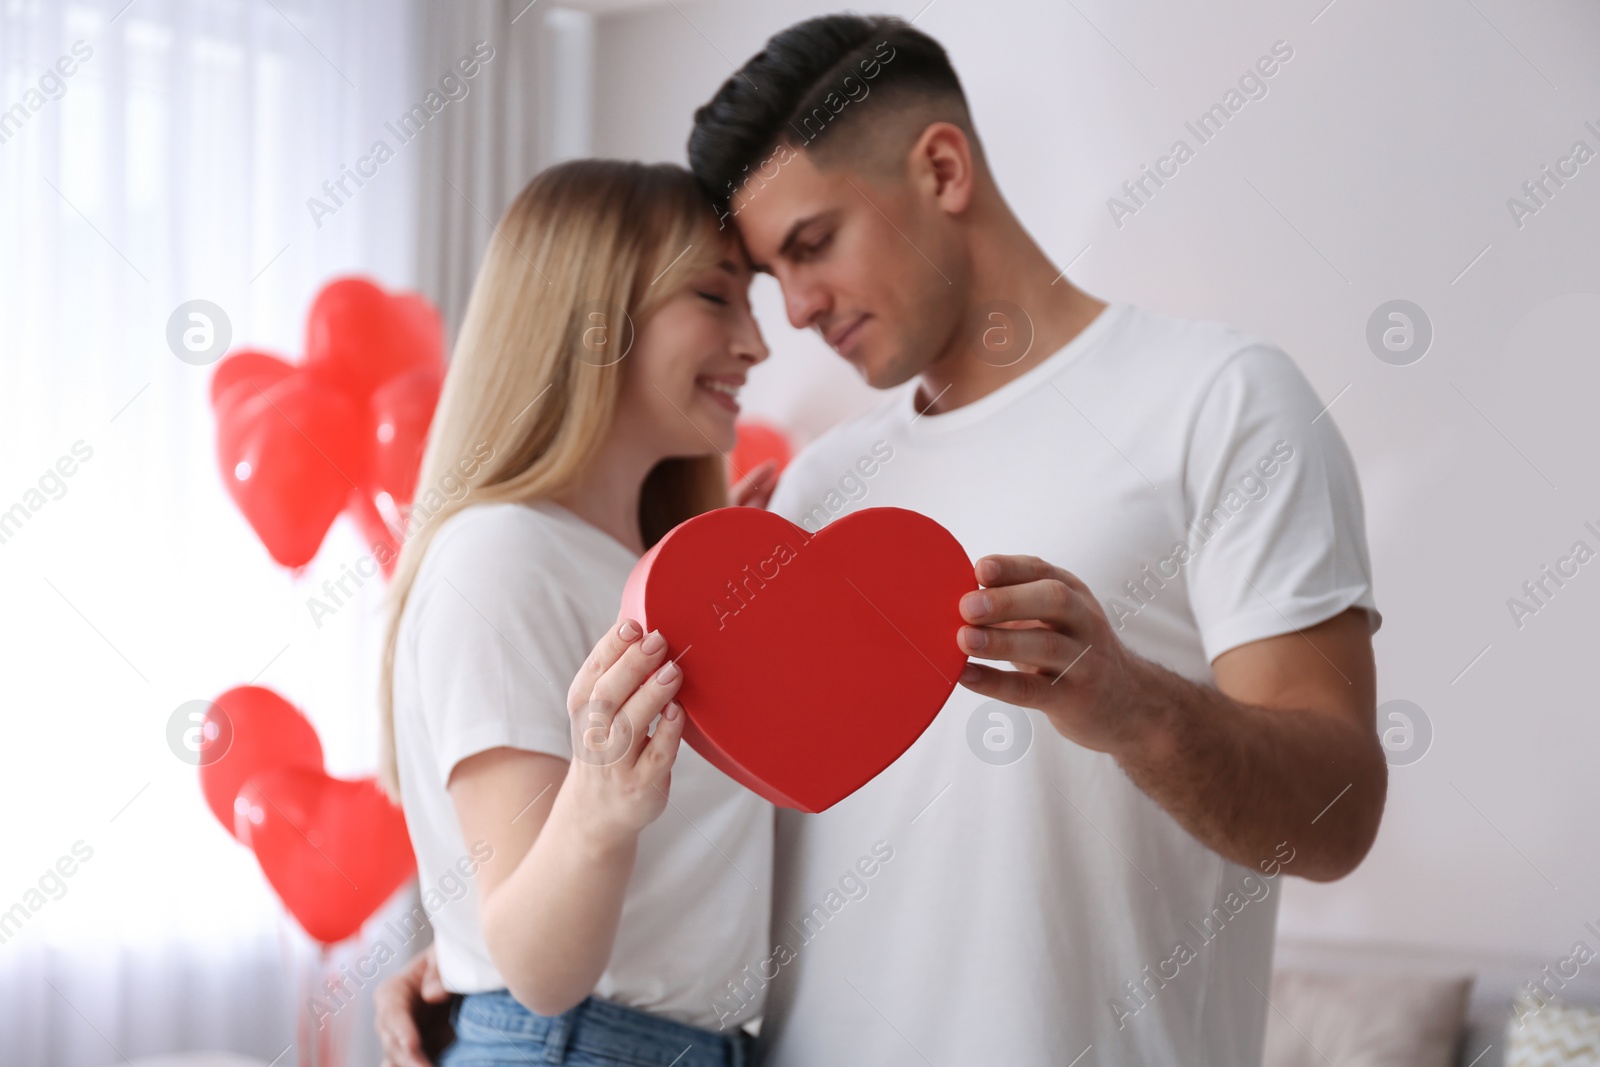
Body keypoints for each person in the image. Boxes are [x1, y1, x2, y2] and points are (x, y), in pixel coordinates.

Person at [381, 14, 1387, 1067]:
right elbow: (704, 829)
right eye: (770, 274)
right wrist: (487, 972)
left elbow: (1338, 813)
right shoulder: (812, 492)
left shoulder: (1220, 403)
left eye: (812, 244)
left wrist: (1132, 706)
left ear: (942, 168)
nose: (796, 313)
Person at [378, 158, 776, 1067]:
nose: (756, 342)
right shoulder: (503, 553)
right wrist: (600, 806)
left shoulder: (611, 564)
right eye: (716, 297)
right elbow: (536, 969)